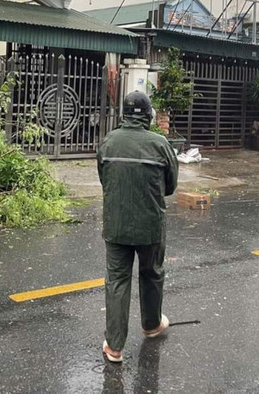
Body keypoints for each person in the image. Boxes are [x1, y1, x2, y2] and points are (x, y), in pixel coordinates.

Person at [96, 91, 179, 363]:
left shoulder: (108, 142)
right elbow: (170, 186)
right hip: (150, 226)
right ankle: (152, 325)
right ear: (148, 115)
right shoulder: (160, 144)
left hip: (116, 225)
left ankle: (115, 347)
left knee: (117, 281)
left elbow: (104, 179)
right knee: (152, 273)